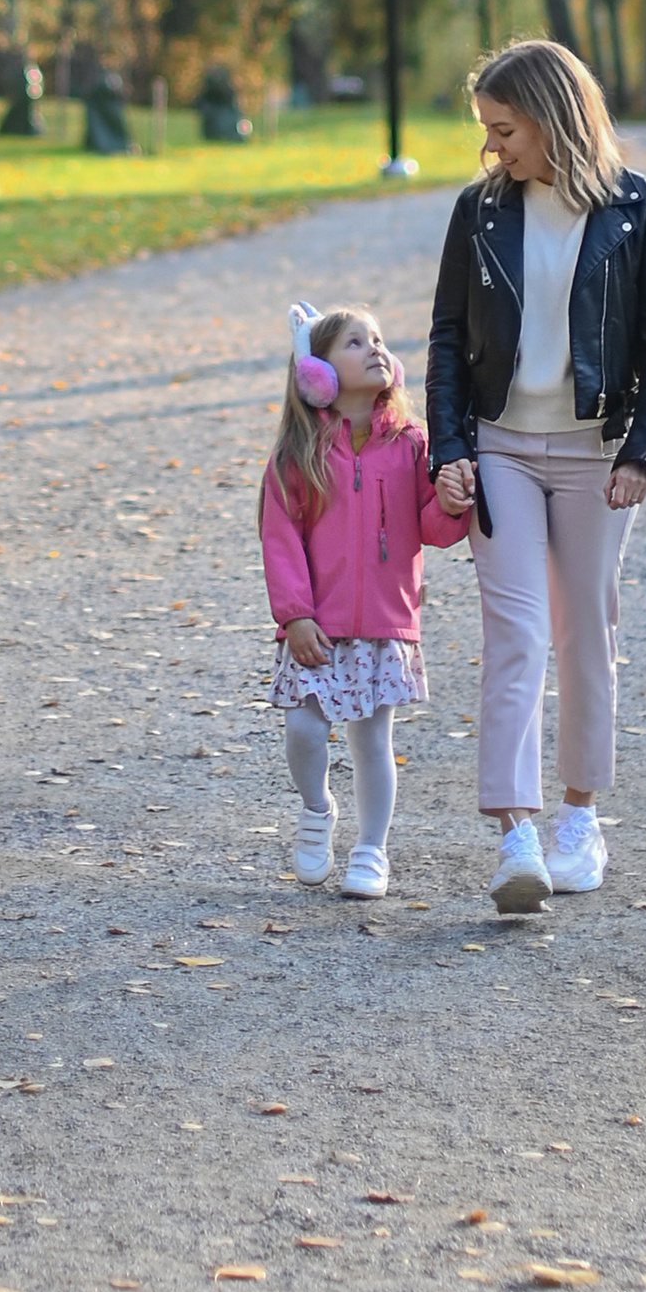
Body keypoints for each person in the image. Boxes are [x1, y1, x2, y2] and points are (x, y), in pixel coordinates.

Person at [426, 37, 646, 915]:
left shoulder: (638, 207)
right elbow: (445, 341)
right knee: (516, 635)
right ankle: (515, 836)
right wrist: (450, 448)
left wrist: (641, 454)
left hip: (595, 456)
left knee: (587, 632)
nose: (492, 148)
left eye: (504, 130)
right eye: (487, 133)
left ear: (552, 118)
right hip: (499, 447)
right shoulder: (480, 210)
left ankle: (581, 817)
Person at [258, 300, 464, 898]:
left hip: (383, 623)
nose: (374, 348)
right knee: (302, 728)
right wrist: (294, 614)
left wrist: (451, 503)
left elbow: (434, 528)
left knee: (374, 741)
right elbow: (281, 539)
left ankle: (372, 850)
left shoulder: (411, 443)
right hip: (315, 626)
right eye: (355, 342)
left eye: (377, 339)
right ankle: (318, 807)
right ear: (316, 374)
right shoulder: (298, 455)